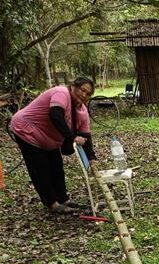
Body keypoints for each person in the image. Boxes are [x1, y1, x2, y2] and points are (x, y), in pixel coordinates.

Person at [10, 77, 97, 215]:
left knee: (57, 167)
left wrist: (91, 157)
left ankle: (63, 199)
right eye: (82, 90)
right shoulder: (61, 93)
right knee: (41, 168)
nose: (84, 95)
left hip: (48, 139)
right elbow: (55, 115)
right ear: (73, 86)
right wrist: (73, 137)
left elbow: (86, 135)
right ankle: (52, 203)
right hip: (27, 130)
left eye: (88, 94)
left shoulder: (82, 110)